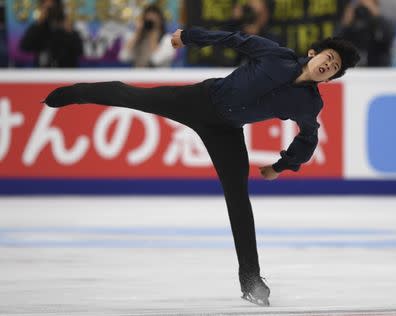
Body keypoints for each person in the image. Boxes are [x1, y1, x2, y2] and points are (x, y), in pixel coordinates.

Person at [42, 27, 360, 306]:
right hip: (198, 100)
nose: (328, 65)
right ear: (313, 53)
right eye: (328, 57)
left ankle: (251, 280)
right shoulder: (275, 55)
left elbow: (308, 138)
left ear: (330, 78)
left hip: (226, 131)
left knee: (239, 200)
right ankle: (75, 93)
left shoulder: (309, 104)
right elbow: (234, 39)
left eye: (334, 68)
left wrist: (280, 166)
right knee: (132, 96)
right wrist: (190, 36)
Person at [19, 0, 83, 67]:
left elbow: (79, 50)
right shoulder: (39, 27)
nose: (50, 11)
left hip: (66, 71)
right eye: (46, 7)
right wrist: (38, 24)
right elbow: (24, 46)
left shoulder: (66, 26)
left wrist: (70, 32)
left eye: (52, 7)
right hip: (43, 71)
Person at [337, 0, 394, 67]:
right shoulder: (352, 22)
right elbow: (337, 43)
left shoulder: (381, 23)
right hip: (355, 69)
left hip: (379, 69)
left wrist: (376, 15)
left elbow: (388, 37)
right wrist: (346, 23)